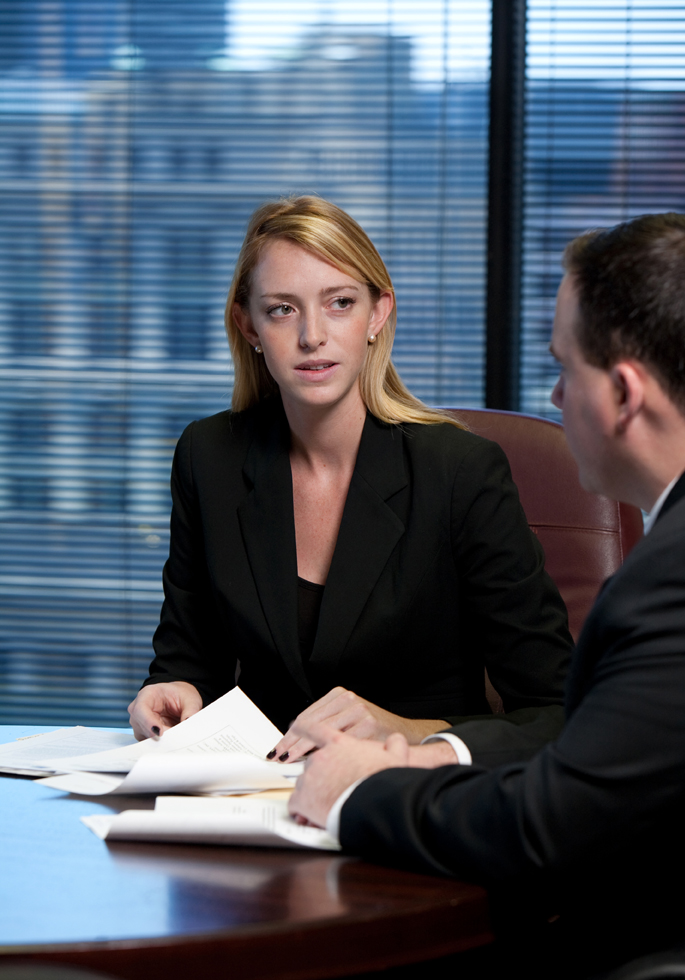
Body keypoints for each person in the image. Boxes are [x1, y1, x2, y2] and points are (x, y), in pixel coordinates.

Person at [288, 212, 685, 980]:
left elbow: (549, 827)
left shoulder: (677, 577)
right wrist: (435, 755)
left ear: (623, 393)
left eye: (563, 369)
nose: (552, 397)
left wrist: (362, 789)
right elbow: (599, 756)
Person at [128, 195, 571, 753]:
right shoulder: (209, 455)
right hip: (256, 797)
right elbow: (188, 657)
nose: (312, 335)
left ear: (378, 313)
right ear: (249, 326)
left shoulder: (459, 472)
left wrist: (405, 732)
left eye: (339, 302)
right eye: (282, 309)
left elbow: (555, 709)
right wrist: (171, 693)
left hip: (411, 802)